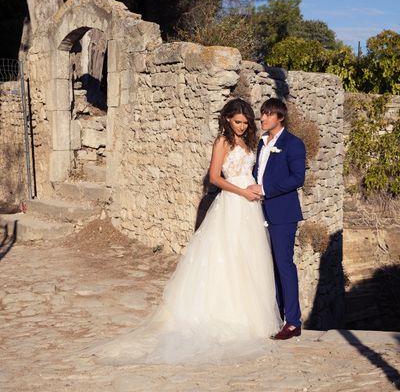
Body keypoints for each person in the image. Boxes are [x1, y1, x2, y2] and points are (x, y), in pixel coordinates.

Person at [87, 98, 282, 364]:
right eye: (237, 122)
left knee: (250, 258)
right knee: (227, 256)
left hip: (251, 206)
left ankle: (253, 320)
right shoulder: (221, 142)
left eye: (245, 123)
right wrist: (242, 192)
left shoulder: (249, 142)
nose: (241, 127)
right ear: (227, 119)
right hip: (233, 202)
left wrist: (256, 190)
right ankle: (226, 314)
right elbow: (215, 178)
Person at [248, 98, 306, 340]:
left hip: (282, 213)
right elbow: (257, 173)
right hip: (258, 212)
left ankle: (293, 322)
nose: (263, 118)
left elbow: (297, 178)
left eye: (268, 115)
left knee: (284, 265)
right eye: (262, 114)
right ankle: (276, 316)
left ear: (280, 117)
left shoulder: (294, 144)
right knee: (267, 266)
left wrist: (264, 189)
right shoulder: (261, 143)